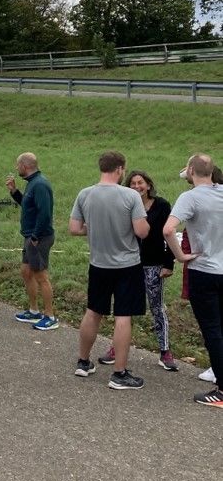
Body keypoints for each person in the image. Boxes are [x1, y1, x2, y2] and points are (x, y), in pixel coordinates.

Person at [69, 151, 149, 389]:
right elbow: (142, 231)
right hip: (127, 265)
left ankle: (83, 361)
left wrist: (94, 227)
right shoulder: (130, 195)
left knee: (93, 311)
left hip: (98, 263)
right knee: (123, 316)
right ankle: (119, 373)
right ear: (120, 169)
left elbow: (74, 228)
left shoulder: (85, 194)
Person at [95, 171, 177, 371]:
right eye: (132, 183)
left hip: (154, 264)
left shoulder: (162, 205)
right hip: (128, 263)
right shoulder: (125, 204)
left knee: (157, 307)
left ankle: (165, 351)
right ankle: (116, 349)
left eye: (141, 183)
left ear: (148, 185)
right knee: (124, 308)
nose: (137, 186)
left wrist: (169, 263)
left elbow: (169, 234)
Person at [163, 154, 223, 407]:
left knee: (212, 329)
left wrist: (180, 256)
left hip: (204, 270)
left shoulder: (190, 197)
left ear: (190, 171)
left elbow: (168, 229)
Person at [6, 152, 58, 330]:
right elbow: (28, 206)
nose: (16, 168)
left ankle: (50, 316)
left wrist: (35, 237)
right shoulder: (32, 183)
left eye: (18, 165)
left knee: (41, 276)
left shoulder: (40, 185)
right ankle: (34, 311)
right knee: (26, 272)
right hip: (30, 236)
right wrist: (14, 192)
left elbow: (45, 213)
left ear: (25, 166)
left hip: (39, 237)